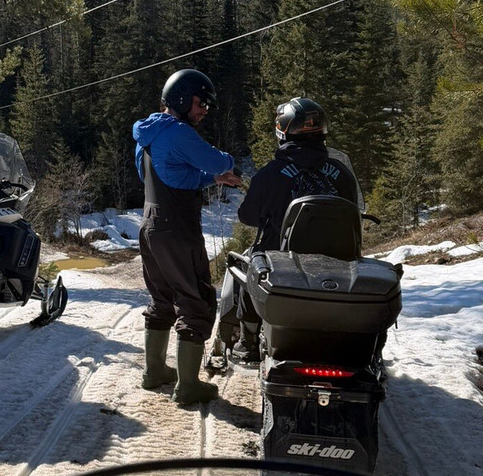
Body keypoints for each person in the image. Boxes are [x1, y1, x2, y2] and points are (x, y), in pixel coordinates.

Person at [133, 69, 242, 403]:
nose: (204, 110)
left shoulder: (149, 133)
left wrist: (212, 180)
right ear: (181, 99)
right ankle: (188, 385)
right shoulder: (179, 132)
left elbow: (174, 176)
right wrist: (224, 166)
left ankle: (154, 372)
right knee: (195, 300)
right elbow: (217, 160)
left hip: (150, 224)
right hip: (178, 228)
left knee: (161, 298)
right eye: (200, 103)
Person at [232, 97, 360, 361]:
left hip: (281, 261)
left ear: (283, 130)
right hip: (337, 259)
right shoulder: (341, 172)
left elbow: (248, 216)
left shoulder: (270, 174)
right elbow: (354, 209)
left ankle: (248, 342)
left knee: (249, 268)